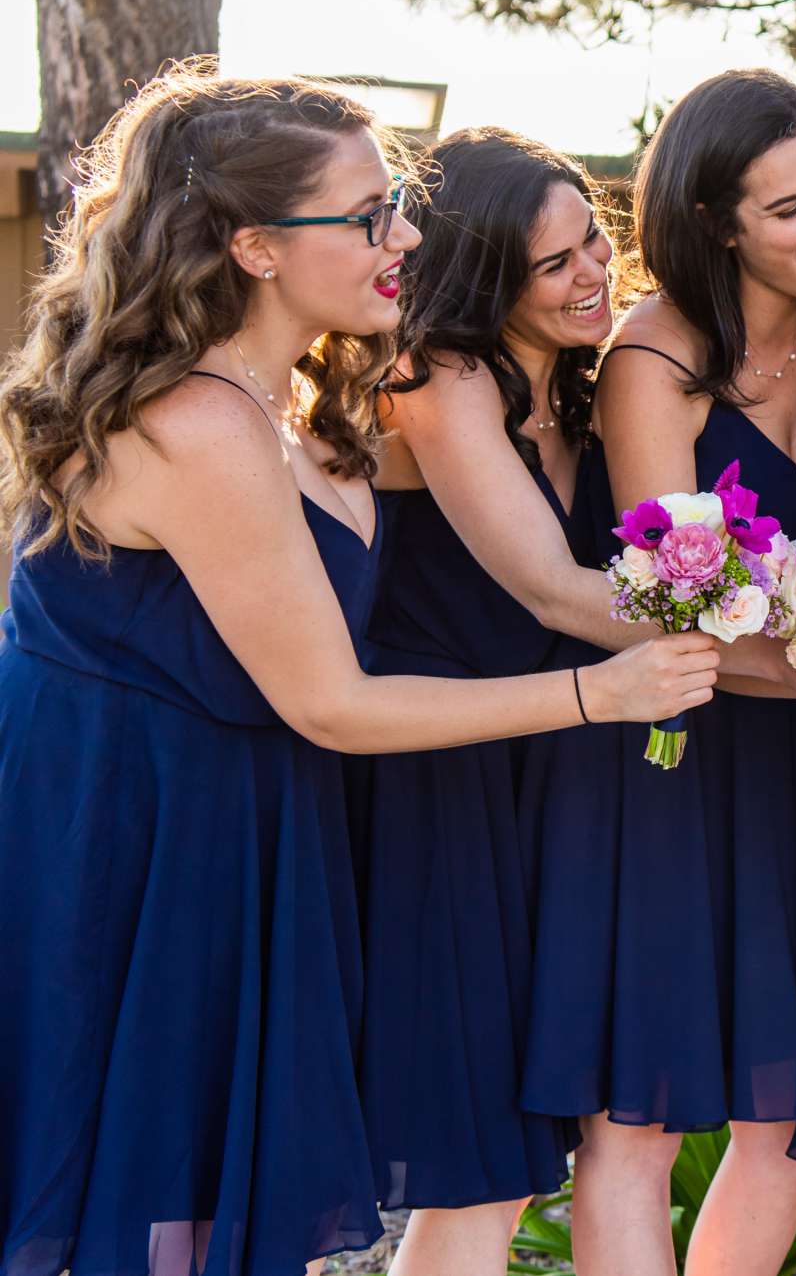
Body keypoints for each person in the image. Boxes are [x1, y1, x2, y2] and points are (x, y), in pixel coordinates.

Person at [0, 69, 713, 1276]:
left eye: (403, 207)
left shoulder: (296, 402)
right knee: (139, 1204)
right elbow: (331, 698)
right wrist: (599, 692)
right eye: (371, 215)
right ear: (256, 248)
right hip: (125, 838)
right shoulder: (198, 424)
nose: (408, 237)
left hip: (243, 823)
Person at [558, 70, 796, 1276]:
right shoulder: (653, 360)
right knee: (640, 1110)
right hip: (672, 762)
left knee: (786, 1107)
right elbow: (660, 598)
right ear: (717, 223)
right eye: (789, 209)